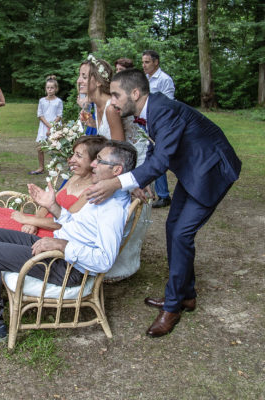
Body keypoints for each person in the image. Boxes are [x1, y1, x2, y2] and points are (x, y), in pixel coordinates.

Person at [86, 68, 241, 337]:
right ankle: (186, 295)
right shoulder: (150, 110)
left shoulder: (164, 110)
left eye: (116, 95)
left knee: (181, 234)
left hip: (211, 171)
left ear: (135, 93)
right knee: (173, 228)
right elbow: (157, 148)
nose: (113, 101)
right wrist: (142, 179)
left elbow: (162, 159)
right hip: (193, 171)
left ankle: (172, 307)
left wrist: (117, 182)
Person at [0, 140, 136, 343]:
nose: (93, 164)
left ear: (117, 170)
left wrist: (62, 246)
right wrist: (54, 207)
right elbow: (77, 225)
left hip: (69, 267)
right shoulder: (103, 194)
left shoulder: (113, 210)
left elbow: (104, 261)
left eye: (100, 161)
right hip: (60, 253)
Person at [0, 135, 108, 301]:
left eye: (79, 156)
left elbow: (66, 223)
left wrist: (29, 221)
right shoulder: (75, 177)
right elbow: (50, 203)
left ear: (95, 161)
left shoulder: (92, 191)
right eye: (73, 154)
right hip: (41, 224)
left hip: (54, 236)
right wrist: (34, 220)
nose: (71, 160)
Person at [142, 50, 175, 208]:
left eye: (147, 62)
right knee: (150, 157)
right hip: (145, 122)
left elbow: (168, 103)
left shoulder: (164, 80)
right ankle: (158, 192)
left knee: (159, 156)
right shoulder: (144, 80)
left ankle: (164, 195)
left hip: (159, 123)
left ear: (156, 62)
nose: (144, 65)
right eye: (142, 62)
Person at [78, 56, 125, 141]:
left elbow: (120, 149)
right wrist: (93, 125)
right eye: (79, 76)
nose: (78, 81)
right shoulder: (97, 104)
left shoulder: (111, 108)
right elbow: (108, 134)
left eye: (84, 77)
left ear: (98, 82)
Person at [30, 76, 62, 175]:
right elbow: (40, 115)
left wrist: (52, 126)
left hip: (55, 126)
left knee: (55, 147)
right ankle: (41, 167)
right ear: (45, 88)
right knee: (40, 148)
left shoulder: (58, 101)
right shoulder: (42, 101)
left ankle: (55, 167)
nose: (50, 90)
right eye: (48, 87)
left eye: (52, 88)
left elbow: (59, 115)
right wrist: (48, 126)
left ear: (56, 89)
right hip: (44, 127)